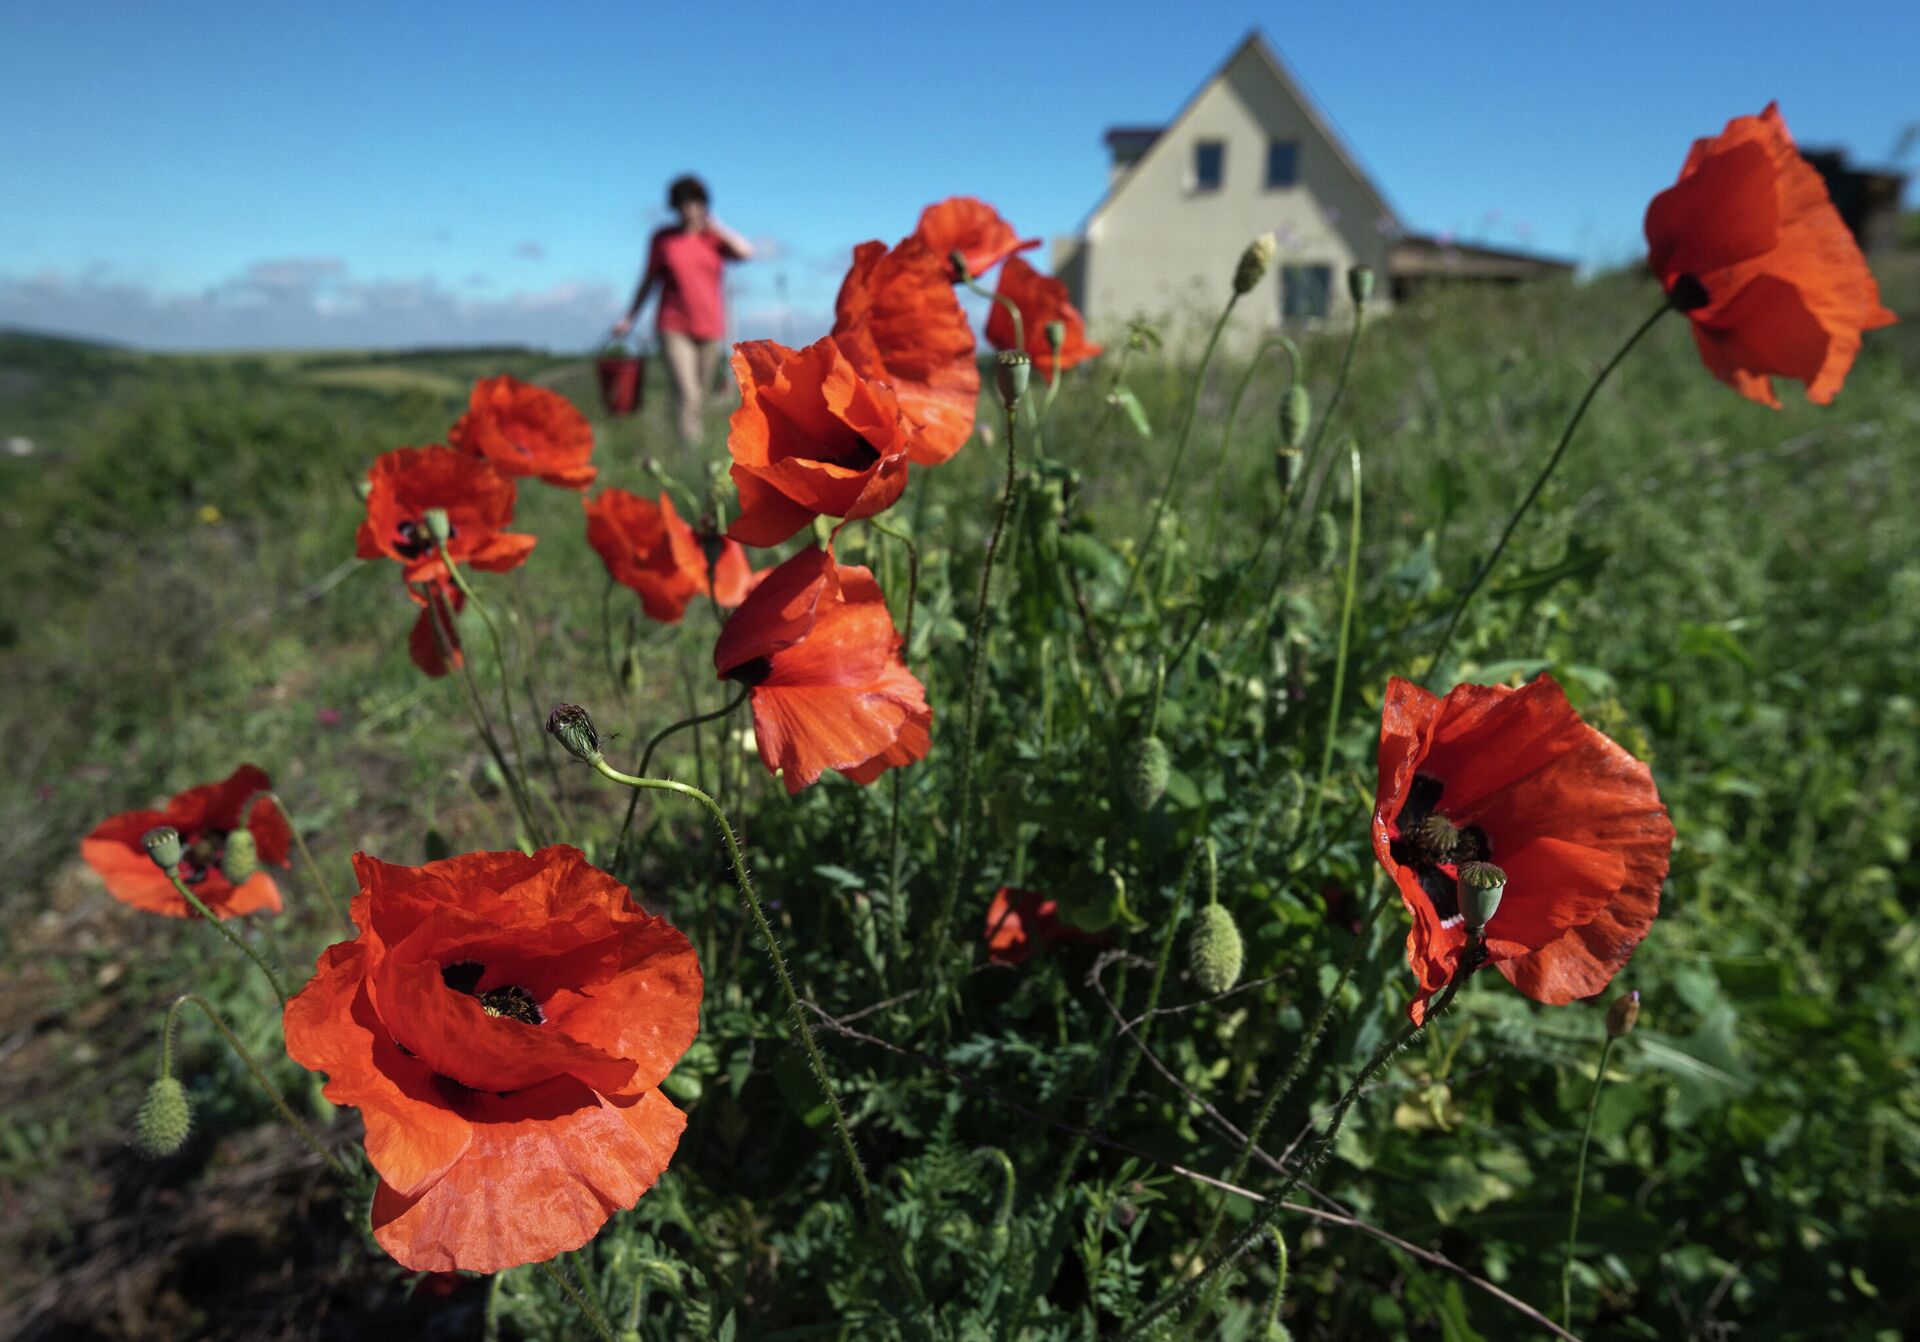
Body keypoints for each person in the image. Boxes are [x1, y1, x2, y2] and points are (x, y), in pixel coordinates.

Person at [614, 175, 753, 444]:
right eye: (684, 203)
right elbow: (648, 281)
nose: (690, 209)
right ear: (675, 207)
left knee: (699, 396)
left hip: (711, 327)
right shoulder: (663, 239)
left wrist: (717, 227)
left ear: (704, 206)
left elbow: (746, 252)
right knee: (687, 393)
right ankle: (691, 454)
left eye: (696, 202)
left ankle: (683, 444)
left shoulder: (714, 240)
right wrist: (630, 317)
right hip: (673, 325)